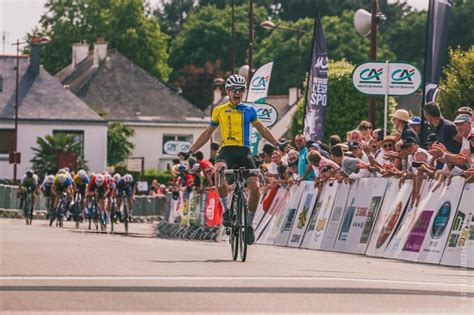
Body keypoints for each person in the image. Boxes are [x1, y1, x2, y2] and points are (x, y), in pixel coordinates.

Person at [178, 74, 285, 245]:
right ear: (228, 91)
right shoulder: (219, 110)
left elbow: (263, 130)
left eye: (241, 90)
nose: (238, 93)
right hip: (226, 150)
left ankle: (249, 226)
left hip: (244, 151)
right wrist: (190, 151)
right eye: (234, 90)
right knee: (219, 171)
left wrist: (278, 144)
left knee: (255, 186)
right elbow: (207, 134)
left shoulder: (249, 110)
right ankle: (227, 210)